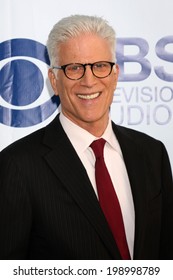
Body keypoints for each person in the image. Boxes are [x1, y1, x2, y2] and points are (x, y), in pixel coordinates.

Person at [0, 15, 173, 260]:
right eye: (74, 68)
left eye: (100, 66)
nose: (89, 81)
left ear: (115, 75)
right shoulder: (17, 165)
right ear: (54, 81)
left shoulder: (152, 153)